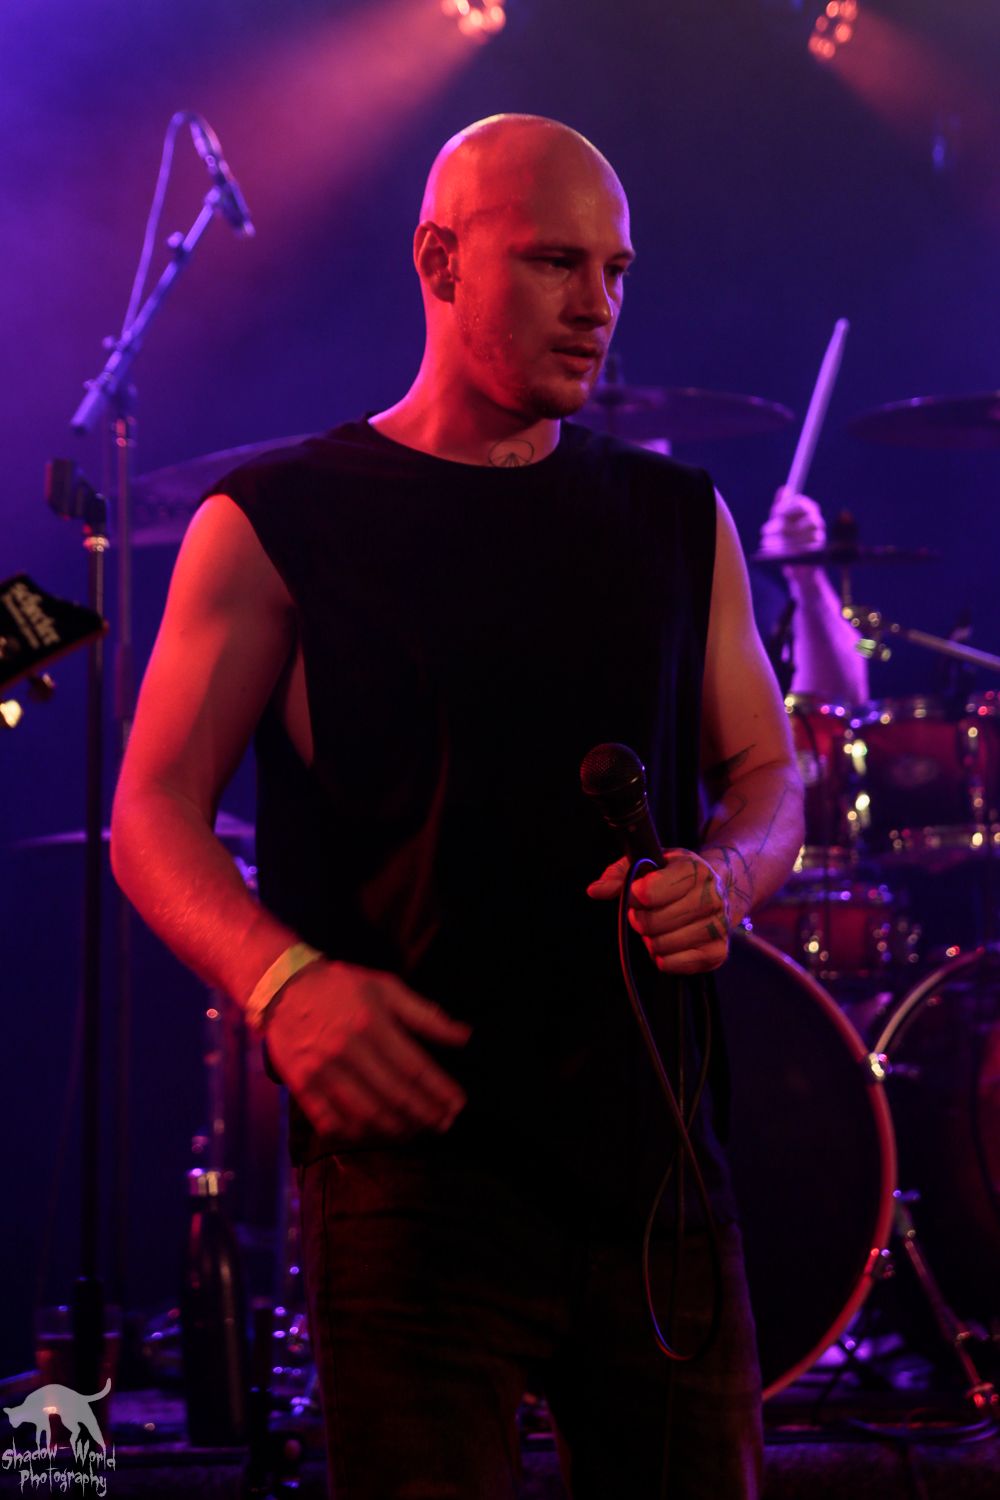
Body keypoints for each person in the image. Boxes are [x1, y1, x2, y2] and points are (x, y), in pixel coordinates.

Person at [111, 114, 804, 1498]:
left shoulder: (681, 518)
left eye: (616, 270)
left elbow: (770, 775)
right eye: (556, 262)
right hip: (413, 1182)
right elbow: (152, 811)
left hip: (658, 1166)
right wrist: (284, 984)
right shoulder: (280, 518)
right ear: (438, 260)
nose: (598, 304)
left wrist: (727, 877)